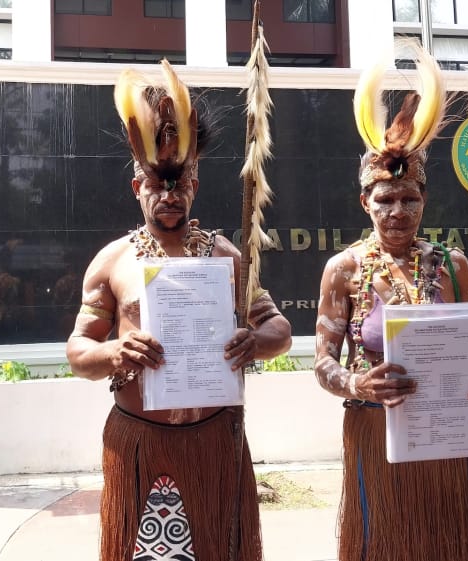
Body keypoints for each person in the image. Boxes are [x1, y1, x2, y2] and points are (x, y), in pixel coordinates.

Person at [66, 61, 292, 561]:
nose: (169, 195)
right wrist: (114, 351)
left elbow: (278, 328)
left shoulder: (226, 256)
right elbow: (79, 352)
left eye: (180, 182)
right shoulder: (113, 260)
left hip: (214, 445)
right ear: (137, 187)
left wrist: (257, 342)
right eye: (157, 183)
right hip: (139, 444)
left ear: (195, 184)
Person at [313, 47, 468, 561]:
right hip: (377, 438)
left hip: (450, 441)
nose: (397, 211)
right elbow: (322, 364)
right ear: (365, 201)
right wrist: (359, 383)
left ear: (425, 198)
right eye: (385, 199)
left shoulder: (455, 265)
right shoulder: (344, 269)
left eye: (409, 198)